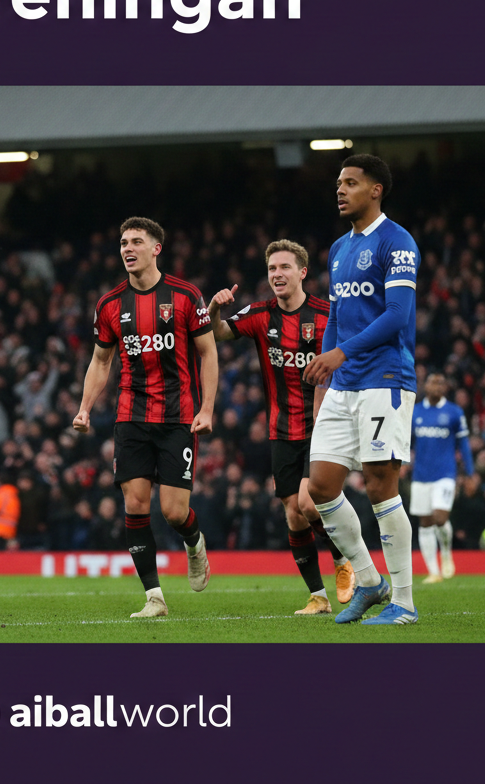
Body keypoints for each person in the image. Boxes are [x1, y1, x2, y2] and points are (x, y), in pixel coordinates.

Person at [73, 217, 218, 618]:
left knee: (173, 511)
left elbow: (208, 352)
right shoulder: (109, 304)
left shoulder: (186, 296)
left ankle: (194, 543)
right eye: (123, 242)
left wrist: (206, 408)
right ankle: (154, 596)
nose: (127, 248)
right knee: (135, 505)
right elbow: (101, 361)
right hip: (131, 416)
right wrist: (85, 407)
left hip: (177, 417)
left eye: (137, 241)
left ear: (157, 248)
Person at [303, 155, 422, 626]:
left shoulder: (397, 241)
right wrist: (328, 367)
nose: (341, 189)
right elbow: (335, 315)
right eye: (338, 182)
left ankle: (405, 604)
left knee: (378, 485)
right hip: (344, 383)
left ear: (376, 190)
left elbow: (397, 314)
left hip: (385, 380)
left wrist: (341, 354)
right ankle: (371, 583)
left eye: (351, 182)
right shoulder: (337, 249)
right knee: (320, 486)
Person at [209, 240, 355, 615]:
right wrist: (213, 310)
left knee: (311, 503)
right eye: (272, 268)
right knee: (294, 513)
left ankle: (344, 559)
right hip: (281, 427)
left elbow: (352, 353)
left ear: (302, 272)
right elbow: (218, 333)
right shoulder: (260, 314)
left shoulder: (327, 314)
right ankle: (318, 597)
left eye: (285, 267)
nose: (277, 274)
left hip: (324, 423)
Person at [410, 371, 473, 582]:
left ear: (445, 387)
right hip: (421, 475)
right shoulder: (415, 411)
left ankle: (446, 553)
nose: (436, 386)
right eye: (432, 382)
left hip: (445, 473)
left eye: (440, 383)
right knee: (425, 522)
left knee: (440, 517)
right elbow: (406, 441)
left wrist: (470, 472)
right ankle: (433, 571)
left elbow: (463, 444)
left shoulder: (454, 412)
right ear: (426, 386)